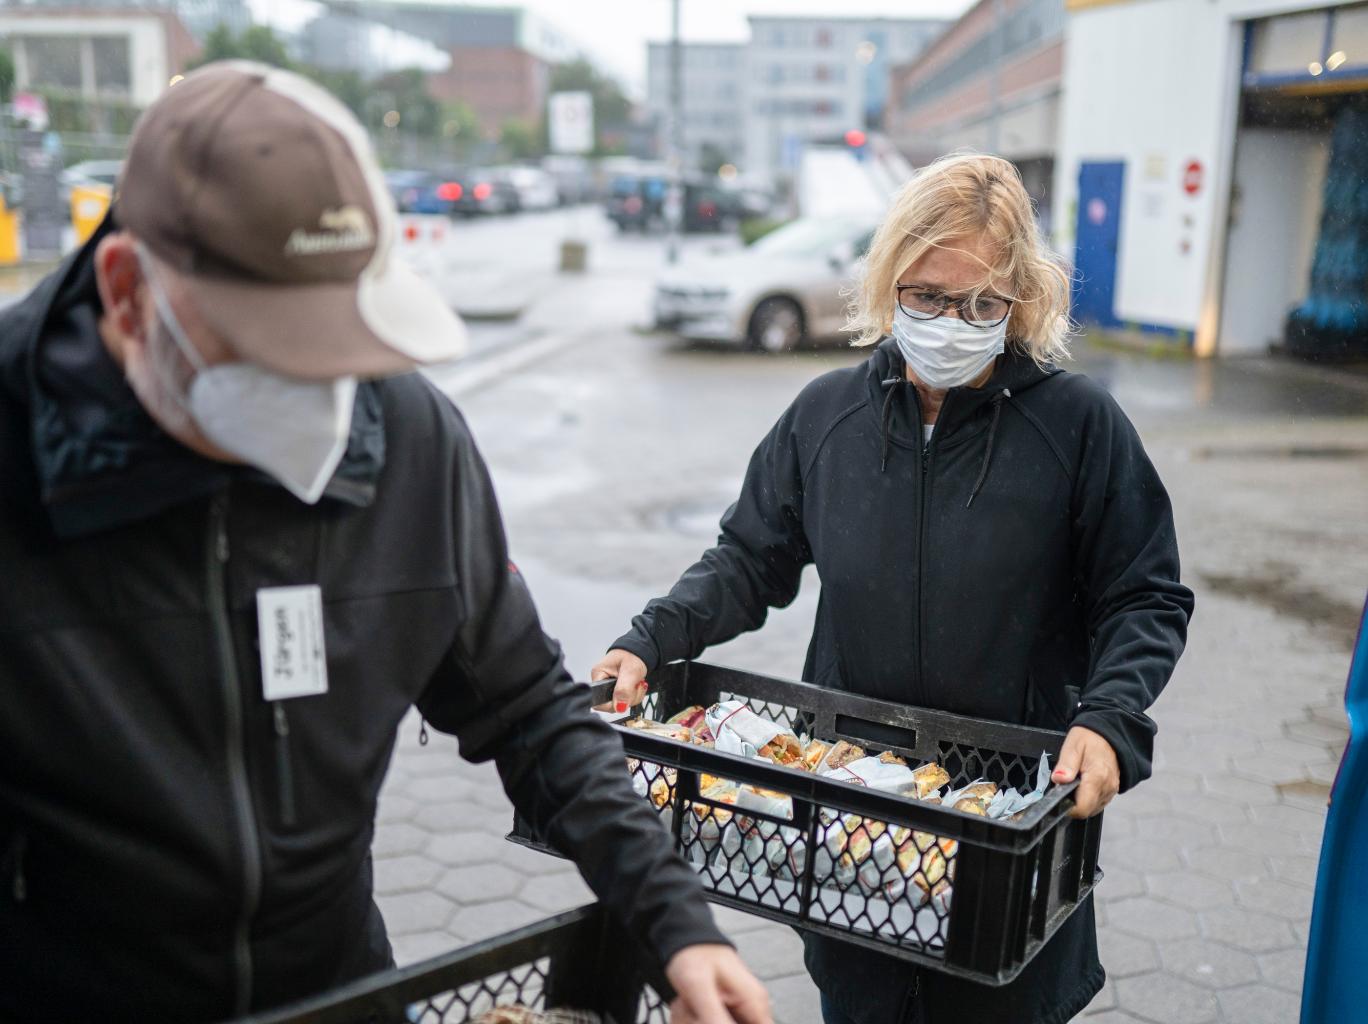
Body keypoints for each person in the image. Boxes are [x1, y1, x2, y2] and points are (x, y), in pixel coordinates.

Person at [0, 62, 770, 1024]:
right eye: (281, 357)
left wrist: (675, 919)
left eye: (345, 354)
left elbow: (529, 705)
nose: (327, 405)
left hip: (341, 986)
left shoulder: (408, 434)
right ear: (128, 293)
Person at [593, 153, 1194, 1024]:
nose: (954, 321)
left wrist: (1108, 722)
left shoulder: (1079, 425)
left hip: (1008, 823)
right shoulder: (824, 415)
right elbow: (748, 557)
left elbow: (1145, 595)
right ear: (888, 282)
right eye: (928, 296)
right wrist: (650, 639)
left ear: (1022, 298)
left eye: (982, 302)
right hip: (850, 812)